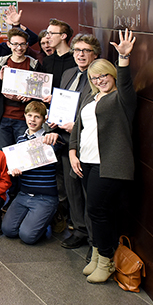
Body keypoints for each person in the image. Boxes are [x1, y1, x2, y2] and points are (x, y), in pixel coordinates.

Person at [69, 29, 137, 284]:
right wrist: (73, 152)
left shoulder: (122, 99)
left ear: (113, 74)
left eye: (104, 75)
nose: (99, 80)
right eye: (95, 77)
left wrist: (124, 58)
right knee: (96, 211)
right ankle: (97, 253)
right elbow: (78, 126)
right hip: (85, 161)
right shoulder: (91, 96)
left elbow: (127, 84)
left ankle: (106, 260)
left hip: (108, 165)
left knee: (98, 211)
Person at [54, 34, 100, 251]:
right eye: (77, 50)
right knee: (72, 190)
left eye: (86, 50)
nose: (80, 54)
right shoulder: (68, 73)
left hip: (86, 141)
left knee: (88, 193)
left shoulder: (99, 78)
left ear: (95, 54)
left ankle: (94, 239)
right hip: (64, 140)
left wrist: (77, 127)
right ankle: (79, 230)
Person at [2, 101, 62, 244]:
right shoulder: (20, 140)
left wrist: (57, 138)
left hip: (45, 197)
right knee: (8, 230)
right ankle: (34, 218)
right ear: (24, 116)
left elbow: (61, 146)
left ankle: (49, 216)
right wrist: (14, 171)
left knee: (27, 236)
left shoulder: (49, 139)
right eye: (29, 115)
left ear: (44, 119)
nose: (32, 120)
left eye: (37, 117)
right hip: (24, 194)